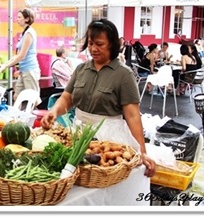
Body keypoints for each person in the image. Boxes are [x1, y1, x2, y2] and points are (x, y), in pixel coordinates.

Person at [40, 19, 156, 178]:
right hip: (78, 136)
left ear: (113, 44)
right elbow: (67, 98)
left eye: (99, 44)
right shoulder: (81, 69)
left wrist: (142, 151)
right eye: (90, 43)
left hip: (109, 140)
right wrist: (54, 111)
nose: (93, 49)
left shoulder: (124, 74)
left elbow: (132, 115)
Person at [0, 8, 40, 101]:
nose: (17, 19)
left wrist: (6, 66)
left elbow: (22, 56)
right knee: (17, 97)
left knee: (33, 99)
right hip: (23, 70)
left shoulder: (29, 33)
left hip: (30, 70)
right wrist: (5, 64)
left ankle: (43, 114)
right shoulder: (23, 33)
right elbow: (18, 55)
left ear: (27, 19)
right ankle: (20, 115)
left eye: (19, 17)